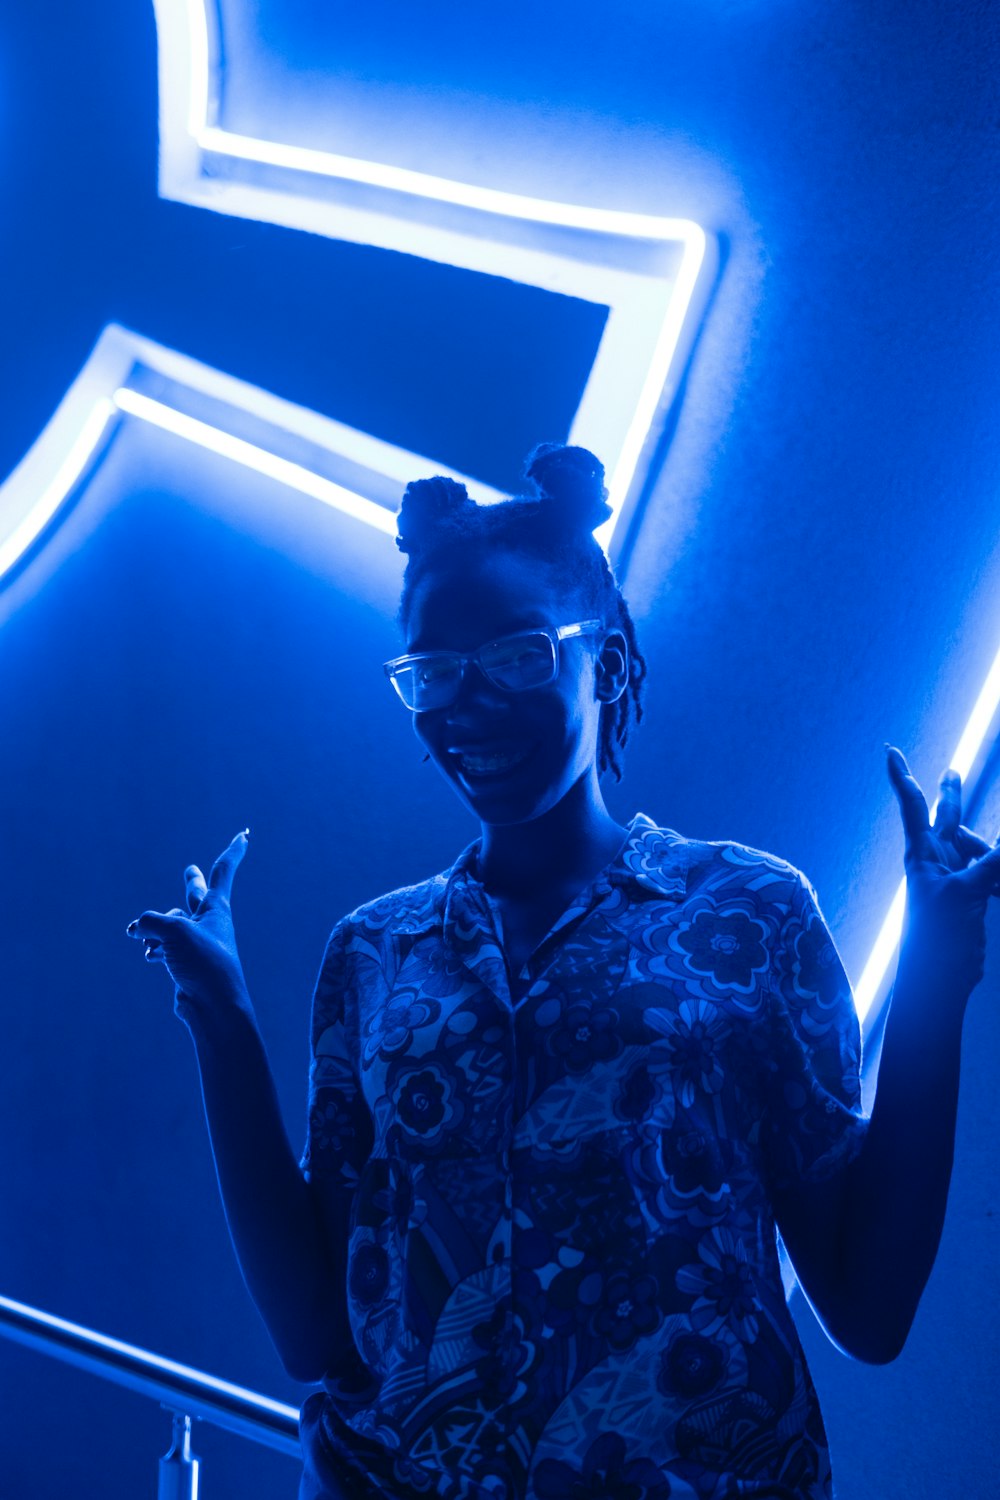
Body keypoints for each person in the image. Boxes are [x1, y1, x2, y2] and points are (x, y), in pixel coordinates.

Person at [128, 443, 1000, 1500]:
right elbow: (317, 1337)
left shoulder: (748, 916)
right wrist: (219, 1022)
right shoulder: (374, 953)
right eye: (432, 672)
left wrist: (940, 972)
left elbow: (868, 1306)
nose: (468, 703)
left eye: (518, 656)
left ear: (610, 662)